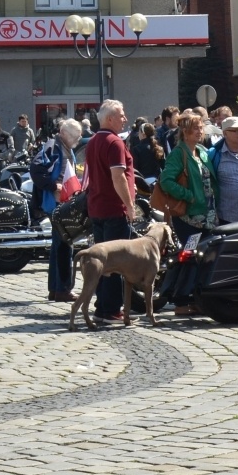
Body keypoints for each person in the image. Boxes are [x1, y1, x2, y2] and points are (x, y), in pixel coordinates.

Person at [84, 100, 141, 324]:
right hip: (113, 209)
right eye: (121, 115)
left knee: (102, 263)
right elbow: (118, 178)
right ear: (110, 119)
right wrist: (129, 205)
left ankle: (102, 307)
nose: (125, 118)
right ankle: (111, 310)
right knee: (116, 264)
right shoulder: (114, 142)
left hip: (97, 207)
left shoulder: (92, 142)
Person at [159, 111, 216, 316]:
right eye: (196, 128)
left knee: (201, 257)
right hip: (188, 217)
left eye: (201, 127)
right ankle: (180, 300)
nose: (200, 131)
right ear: (185, 131)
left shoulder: (201, 151)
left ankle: (195, 299)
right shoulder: (178, 153)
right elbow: (166, 181)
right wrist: (189, 195)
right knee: (190, 256)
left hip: (206, 215)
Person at [44, 119, 84, 303]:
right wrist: (54, 186)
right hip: (58, 203)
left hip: (63, 203)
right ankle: (62, 289)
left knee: (58, 246)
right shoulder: (54, 146)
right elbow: (36, 170)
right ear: (65, 133)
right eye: (76, 136)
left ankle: (55, 289)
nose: (79, 139)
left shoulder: (64, 146)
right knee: (64, 245)